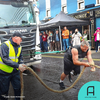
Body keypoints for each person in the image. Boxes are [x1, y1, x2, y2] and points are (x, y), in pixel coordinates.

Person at [0, 32, 27, 100]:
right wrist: (18, 65)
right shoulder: (5, 45)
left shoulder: (20, 46)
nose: (21, 40)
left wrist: (21, 63)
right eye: (20, 39)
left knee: (18, 88)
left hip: (15, 72)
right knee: (4, 91)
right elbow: (5, 59)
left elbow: (20, 58)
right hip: (4, 73)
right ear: (15, 38)